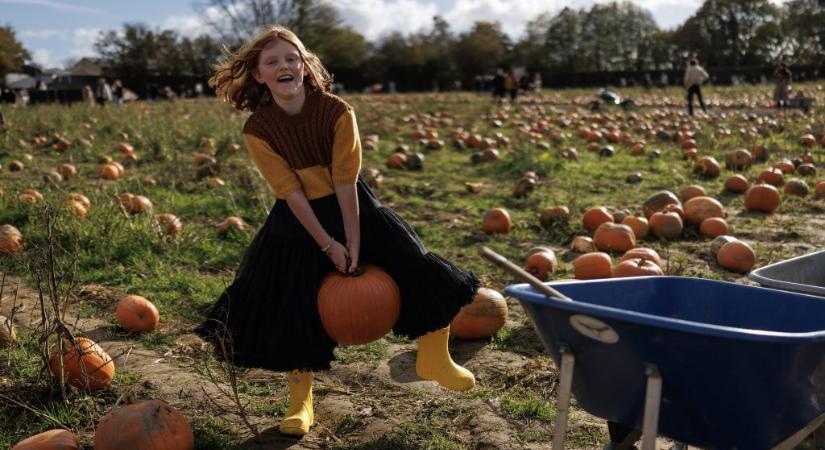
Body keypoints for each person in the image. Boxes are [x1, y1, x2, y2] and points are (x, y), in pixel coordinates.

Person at [195, 25, 480, 437]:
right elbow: (289, 192)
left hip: (353, 206)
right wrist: (328, 245)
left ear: (305, 66)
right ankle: (301, 402)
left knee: (416, 265)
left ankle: (433, 357)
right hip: (298, 219)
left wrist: (354, 241)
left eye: (291, 58)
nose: (283, 66)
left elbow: (346, 181)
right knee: (292, 303)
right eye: (271, 62)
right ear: (258, 75)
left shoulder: (336, 111)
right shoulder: (258, 129)